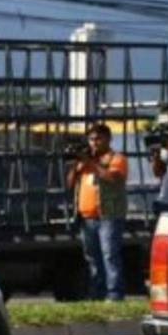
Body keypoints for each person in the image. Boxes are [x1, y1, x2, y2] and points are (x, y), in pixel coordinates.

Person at [67, 123, 128, 301]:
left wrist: (89, 162)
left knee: (109, 255)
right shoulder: (85, 162)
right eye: (91, 139)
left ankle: (114, 294)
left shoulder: (116, 158)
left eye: (98, 139)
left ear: (108, 139)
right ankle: (97, 294)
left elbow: (112, 178)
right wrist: (75, 165)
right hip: (87, 217)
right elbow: (70, 184)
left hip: (109, 214)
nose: (94, 143)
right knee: (93, 259)